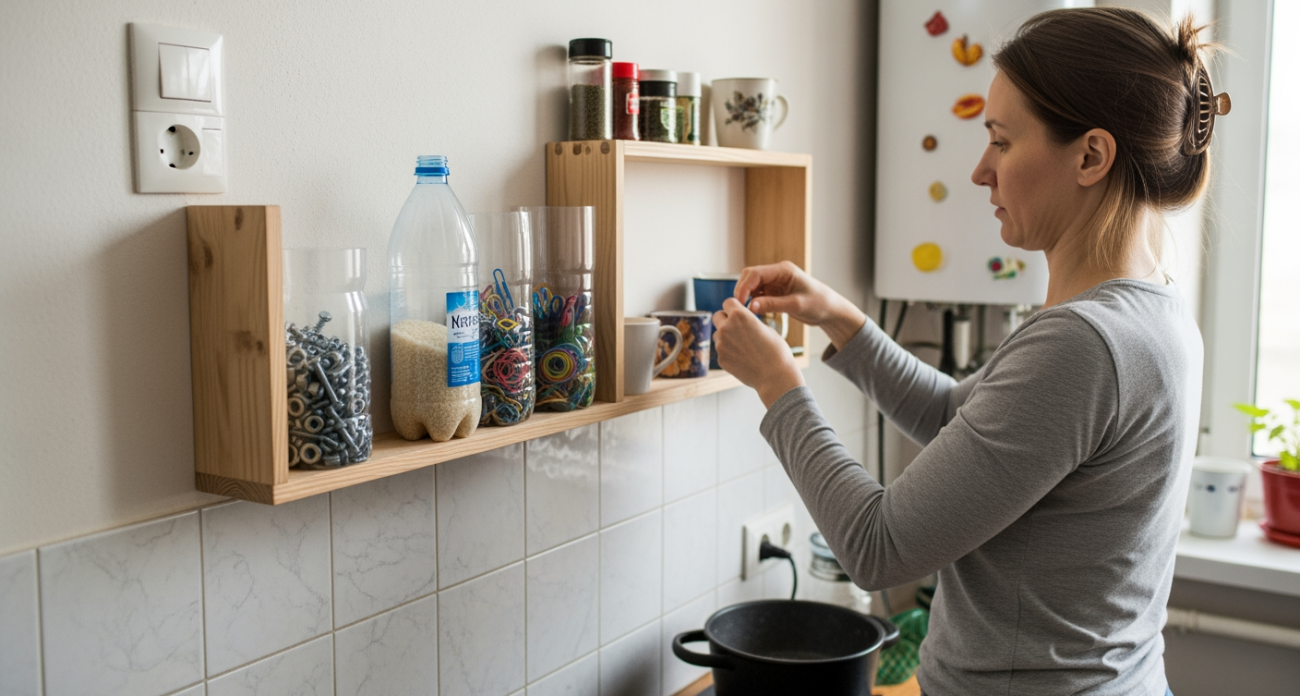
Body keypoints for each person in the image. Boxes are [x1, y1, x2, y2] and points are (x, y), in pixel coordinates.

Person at [711, 8, 1227, 696]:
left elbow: (878, 546)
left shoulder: (1082, 343)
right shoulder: (1149, 310)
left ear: (1090, 156)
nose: (981, 170)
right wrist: (840, 318)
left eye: (1002, 141)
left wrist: (777, 384)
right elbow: (963, 418)